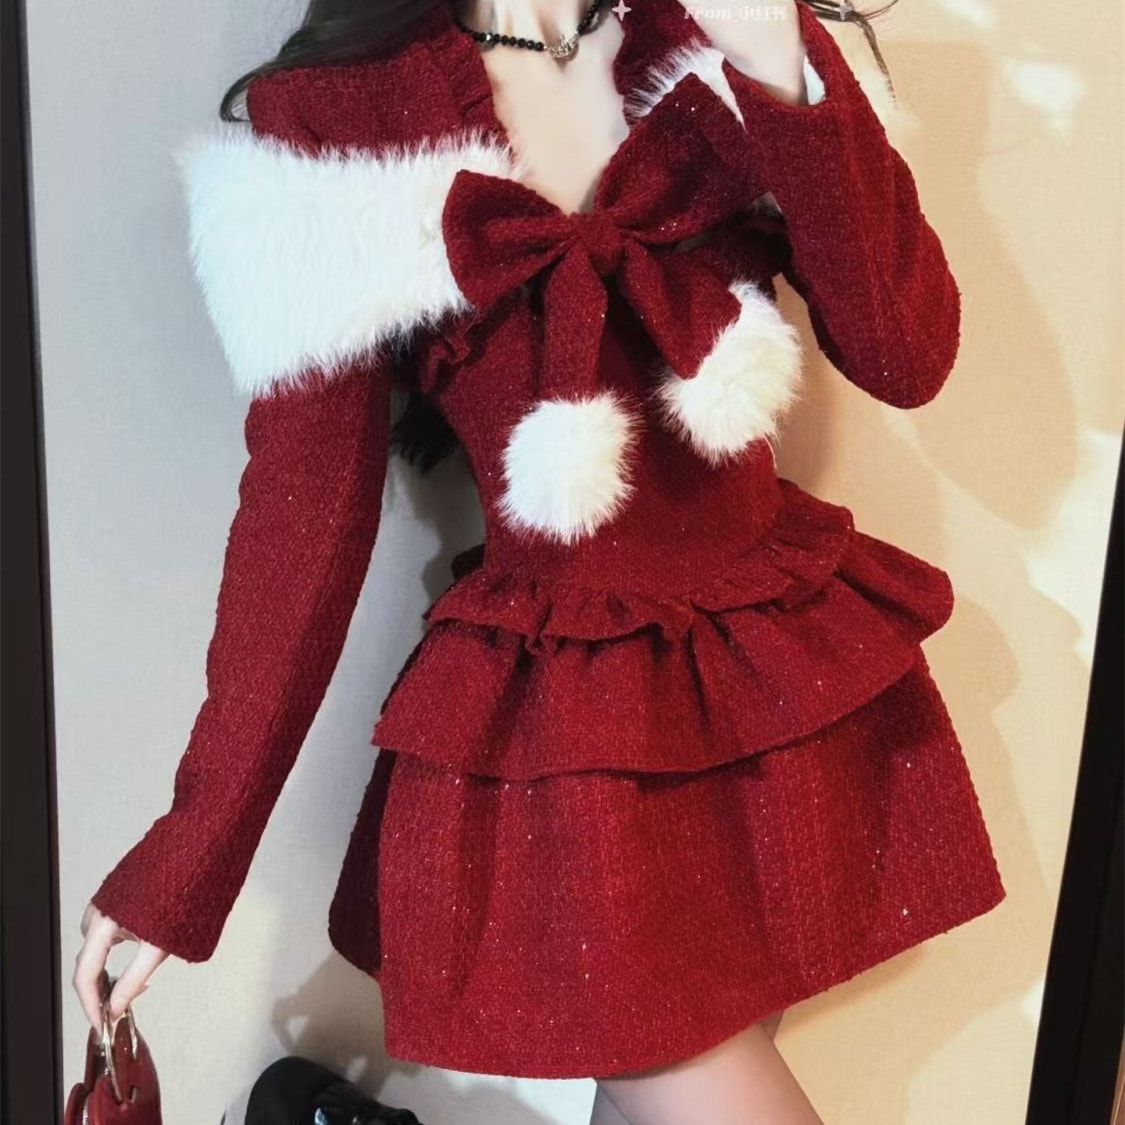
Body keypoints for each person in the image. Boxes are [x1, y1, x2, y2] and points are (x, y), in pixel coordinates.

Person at [73, 0, 1007, 1120]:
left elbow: (907, 354)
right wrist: (189, 852)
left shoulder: (716, 23)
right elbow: (303, 518)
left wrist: (776, 59)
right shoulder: (335, 116)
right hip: (574, 728)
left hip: (772, 678)